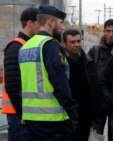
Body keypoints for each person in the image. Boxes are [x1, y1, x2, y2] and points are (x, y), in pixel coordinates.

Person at [18, 5, 78, 141]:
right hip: (53, 120)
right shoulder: (49, 45)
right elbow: (59, 82)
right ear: (51, 22)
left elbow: (22, 84)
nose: (62, 28)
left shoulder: (26, 46)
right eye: (61, 23)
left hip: (31, 119)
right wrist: (72, 112)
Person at [1, 7, 40, 141]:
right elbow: (12, 85)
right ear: (30, 23)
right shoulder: (16, 46)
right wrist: (22, 113)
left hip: (24, 113)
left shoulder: (28, 45)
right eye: (39, 22)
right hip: (17, 115)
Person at [62, 29, 98, 141]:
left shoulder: (88, 62)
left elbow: (94, 90)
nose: (76, 45)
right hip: (65, 115)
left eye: (78, 41)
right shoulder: (60, 63)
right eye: (72, 42)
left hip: (84, 116)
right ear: (64, 44)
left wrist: (94, 117)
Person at [87, 18, 113, 140]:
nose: (111, 34)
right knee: (97, 136)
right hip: (98, 104)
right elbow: (87, 78)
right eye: (108, 31)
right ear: (104, 32)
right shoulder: (95, 51)